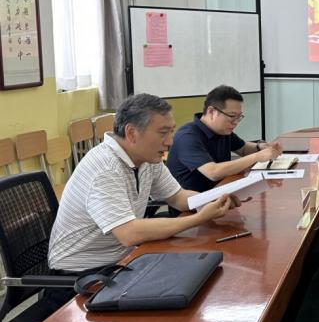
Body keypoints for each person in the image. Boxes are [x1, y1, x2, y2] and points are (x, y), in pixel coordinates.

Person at [48, 93, 236, 274]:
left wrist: (213, 199)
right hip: (79, 276)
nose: (170, 142)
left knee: (204, 268)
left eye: (171, 131)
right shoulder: (105, 169)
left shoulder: (147, 159)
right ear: (131, 133)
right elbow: (129, 233)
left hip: (122, 260)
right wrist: (199, 218)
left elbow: (178, 197)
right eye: (163, 133)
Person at [166, 85, 282, 193]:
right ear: (211, 111)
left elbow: (243, 149)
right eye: (232, 116)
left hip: (221, 193)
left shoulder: (222, 130)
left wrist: (262, 147)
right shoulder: (187, 137)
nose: (236, 122)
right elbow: (213, 172)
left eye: (239, 117)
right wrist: (257, 156)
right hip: (194, 203)